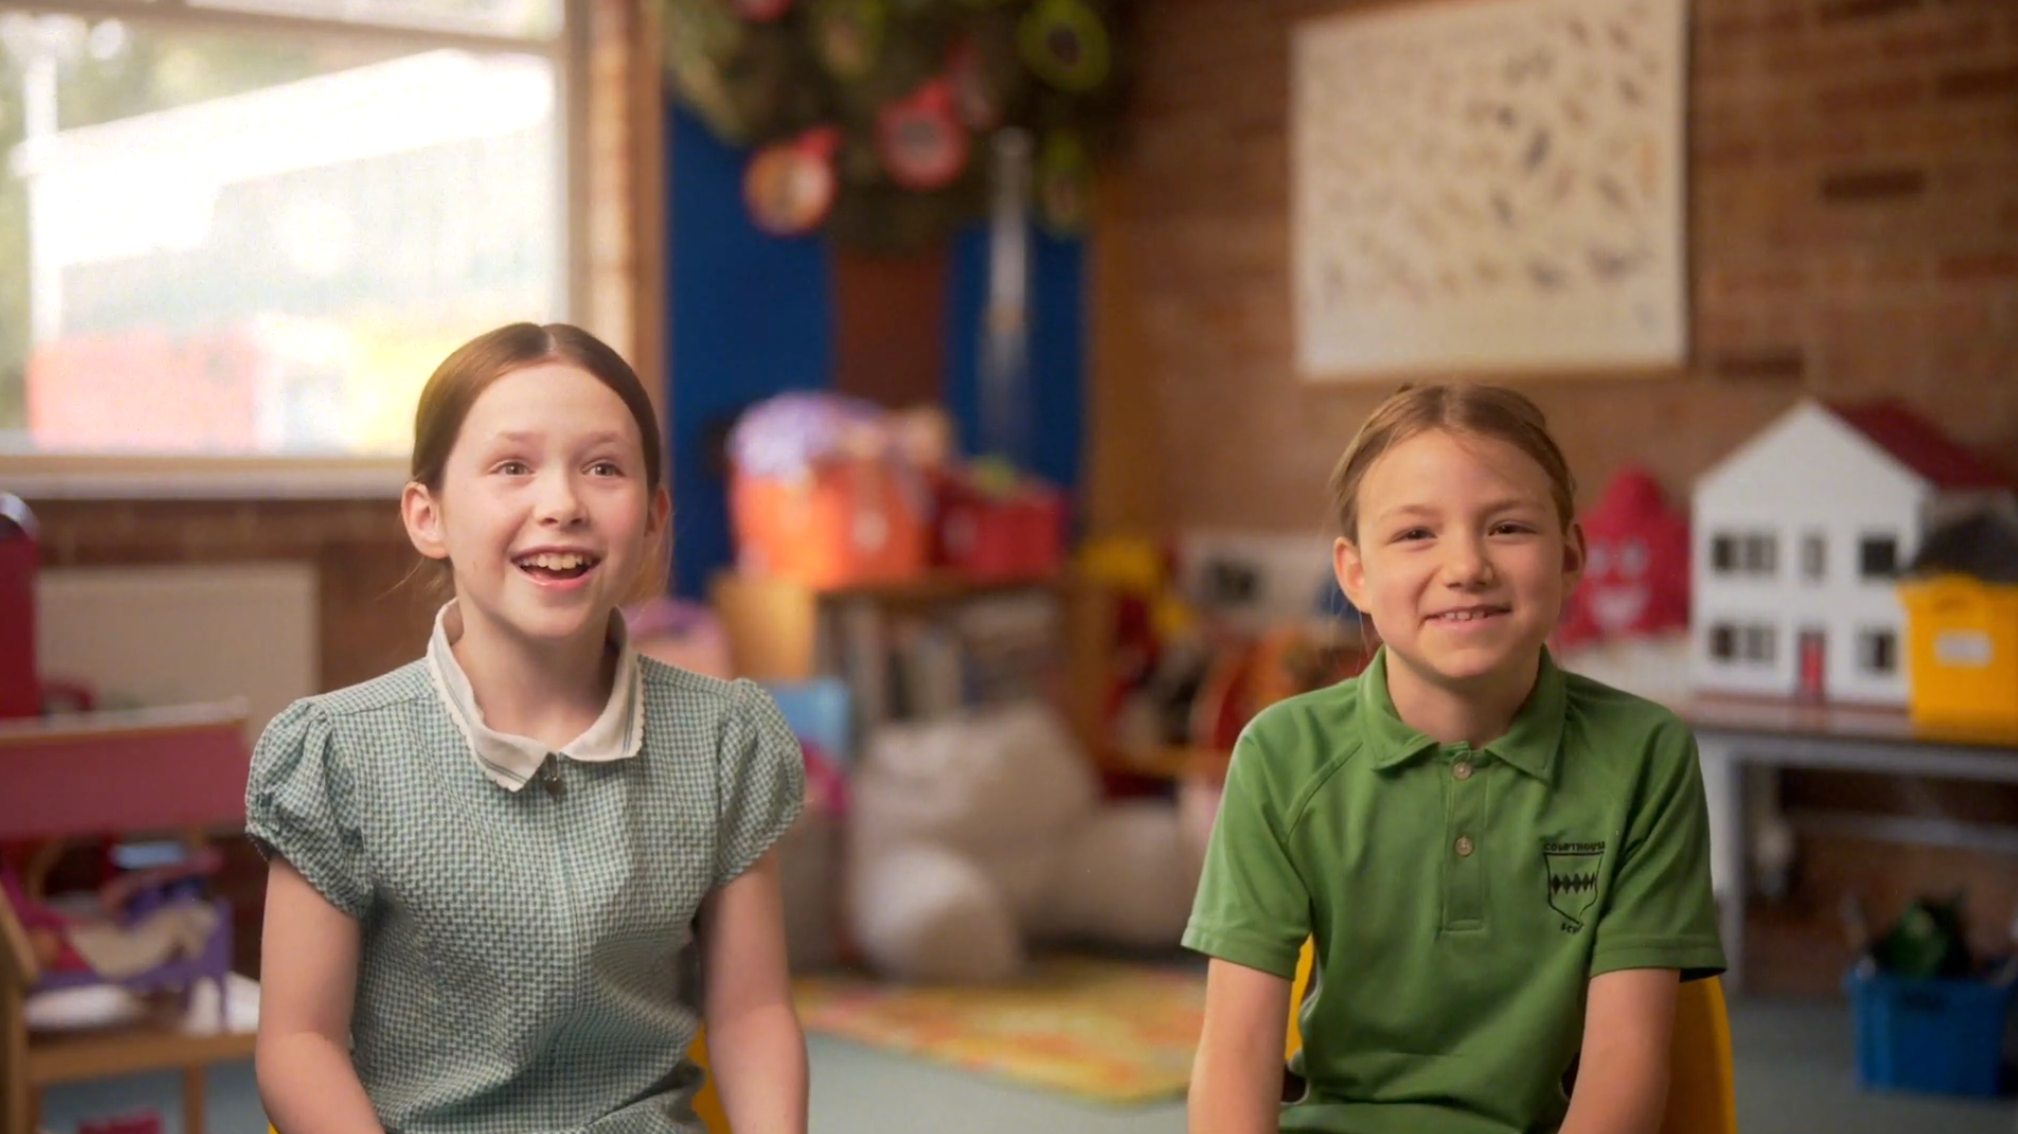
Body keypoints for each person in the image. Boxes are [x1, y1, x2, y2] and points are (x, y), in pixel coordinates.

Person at [249, 323, 807, 1134]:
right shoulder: (338, 757)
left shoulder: (725, 742)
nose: (562, 505)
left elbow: (753, 1014)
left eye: (604, 468)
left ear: (653, 517)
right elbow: (298, 1042)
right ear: (427, 514)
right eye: (512, 467)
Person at [1185, 383, 1725, 1134]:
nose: (1465, 565)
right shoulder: (1279, 755)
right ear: (1355, 574)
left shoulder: (1644, 756)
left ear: (1570, 557)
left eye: (1506, 527)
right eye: (1415, 535)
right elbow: (1236, 1054)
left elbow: (1625, 1062)